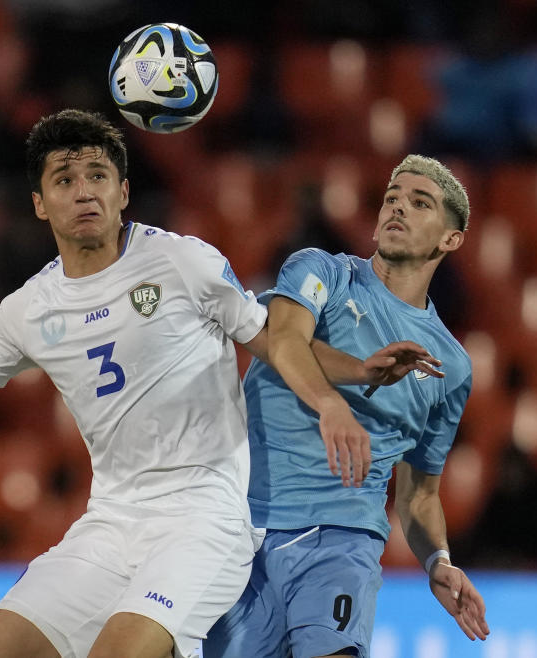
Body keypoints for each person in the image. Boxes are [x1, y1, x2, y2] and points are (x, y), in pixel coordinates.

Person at [0, 109, 438, 658]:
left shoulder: (183, 263)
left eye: (98, 174)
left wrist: (343, 384)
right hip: (111, 521)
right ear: (40, 203)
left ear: (123, 192)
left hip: (203, 519)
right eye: (65, 178)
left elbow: (274, 340)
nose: (84, 189)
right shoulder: (28, 310)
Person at [205, 154, 490, 657]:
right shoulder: (321, 272)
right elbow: (283, 340)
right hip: (239, 530)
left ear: (451, 238)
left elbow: (418, 495)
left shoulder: (451, 365)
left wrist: (438, 561)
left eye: (419, 203)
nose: (397, 207)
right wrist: (335, 400)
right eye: (391, 198)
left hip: (342, 539)